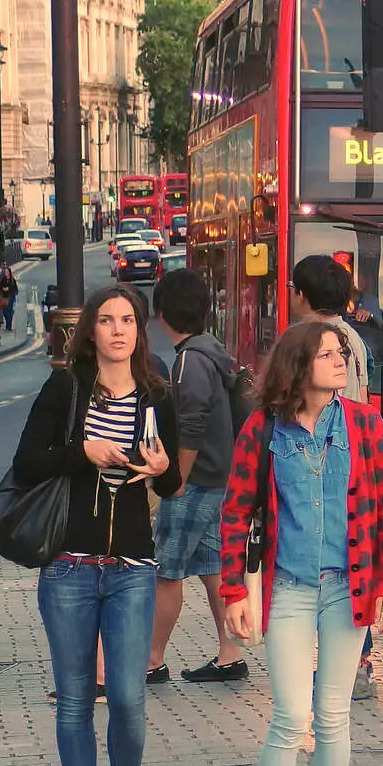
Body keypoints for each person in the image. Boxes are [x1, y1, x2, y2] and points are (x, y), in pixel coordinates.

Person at [221, 321, 383, 766]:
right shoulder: (262, 429)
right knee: (289, 717)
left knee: (331, 717)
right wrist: (233, 590)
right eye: (328, 354)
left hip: (348, 589)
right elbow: (234, 512)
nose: (340, 363)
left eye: (341, 354)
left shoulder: (364, 424)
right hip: (291, 588)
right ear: (299, 365)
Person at [12, 284, 180, 766]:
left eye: (127, 320)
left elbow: (173, 477)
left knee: (130, 698)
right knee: (75, 699)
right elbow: (26, 463)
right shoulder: (67, 388)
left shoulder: (157, 393)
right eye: (106, 320)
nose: (116, 330)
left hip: (133, 567)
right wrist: (81, 452)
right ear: (90, 331)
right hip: (69, 568)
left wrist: (162, 469)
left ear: (140, 330)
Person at [147, 270, 244, 686]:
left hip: (198, 479)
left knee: (166, 571)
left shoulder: (188, 361)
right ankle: (230, 655)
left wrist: (178, 478)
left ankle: (150, 660)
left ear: (163, 314)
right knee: (213, 567)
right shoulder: (213, 350)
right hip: (220, 475)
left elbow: (192, 424)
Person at [289, 256, 379, 698]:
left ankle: (339, 664)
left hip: (320, 457)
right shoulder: (355, 339)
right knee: (351, 557)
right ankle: (357, 661)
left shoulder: (303, 339)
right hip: (353, 452)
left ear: (302, 294)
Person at [290, 256, 371, 402]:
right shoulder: (353, 336)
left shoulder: (307, 339)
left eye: (291, 287)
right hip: (349, 423)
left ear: (300, 295)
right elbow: (362, 394)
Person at [0, 265, 19, 335]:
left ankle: (9, 326)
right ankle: (8, 324)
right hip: (5, 298)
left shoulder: (12, 280)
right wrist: (3, 289)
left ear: (9, 272)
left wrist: (10, 290)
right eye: (5, 272)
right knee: (5, 312)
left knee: (11, 312)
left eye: (7, 272)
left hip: (11, 298)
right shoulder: (3, 280)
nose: (6, 273)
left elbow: (16, 290)